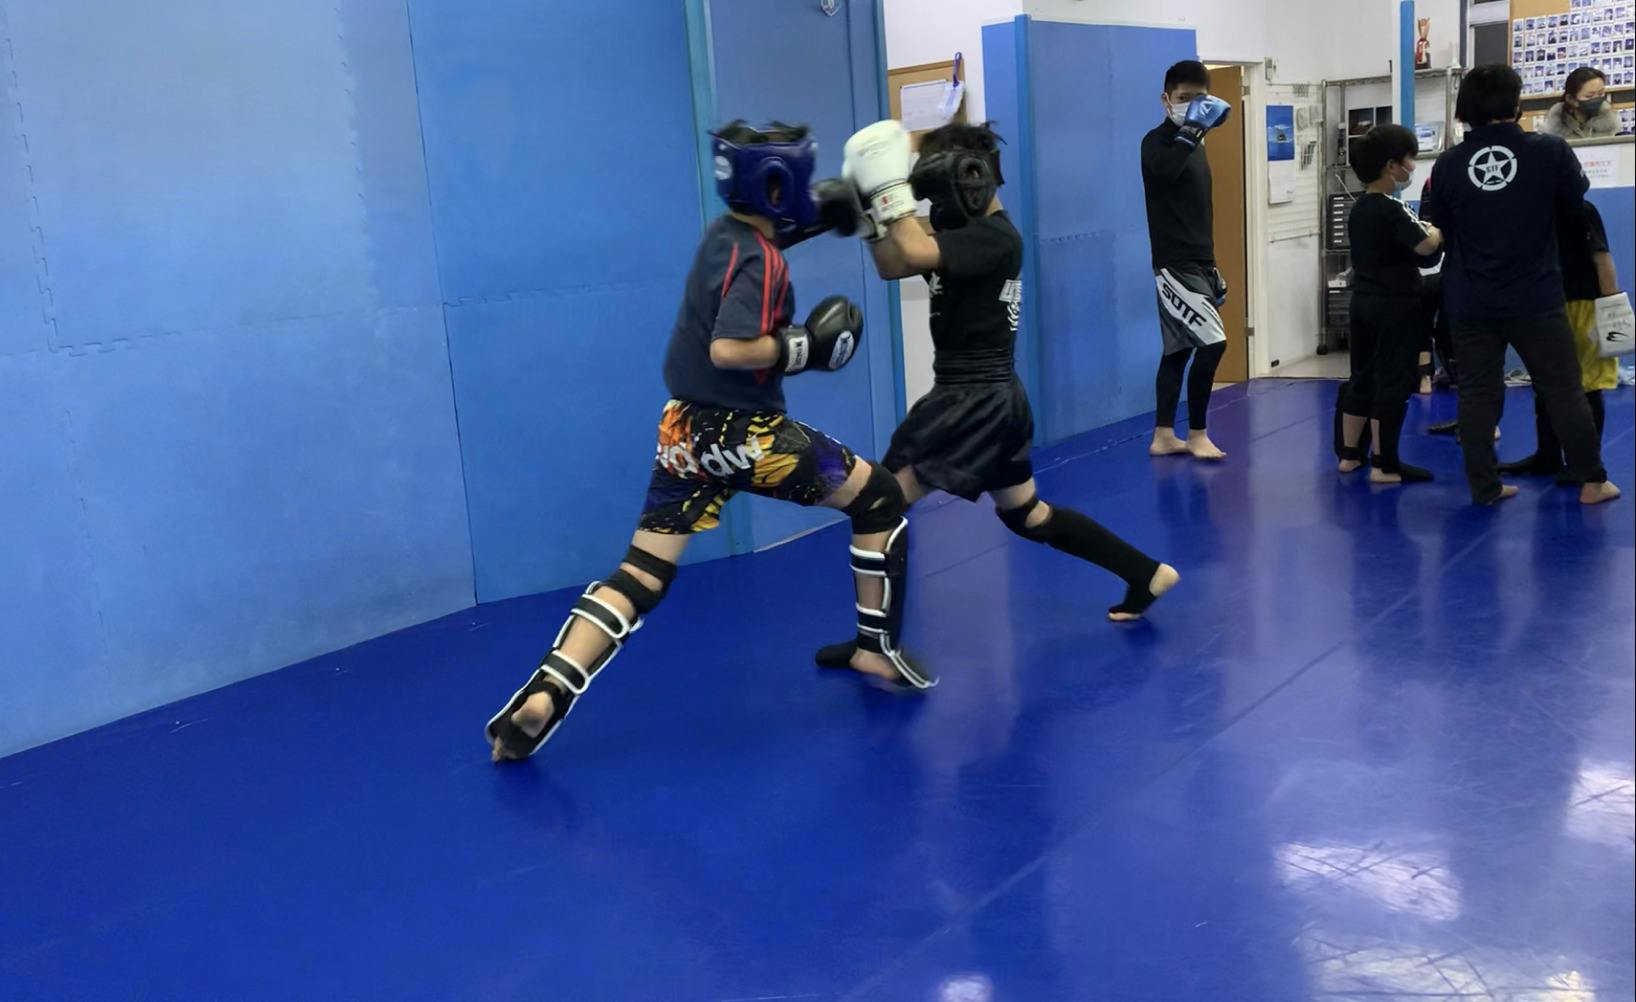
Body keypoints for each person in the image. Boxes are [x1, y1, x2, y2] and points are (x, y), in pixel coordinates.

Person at [485, 121, 935, 763]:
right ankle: (875, 648)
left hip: (683, 433)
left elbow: (776, 231)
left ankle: (545, 692)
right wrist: (801, 348)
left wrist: (833, 210)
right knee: (881, 498)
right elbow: (729, 347)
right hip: (747, 434)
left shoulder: (723, 234)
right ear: (778, 184)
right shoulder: (762, 262)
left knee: (641, 573)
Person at [824, 118, 1178, 632]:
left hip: (971, 402)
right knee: (1026, 514)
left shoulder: (994, 237)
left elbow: (915, 249)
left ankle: (874, 644)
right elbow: (892, 265)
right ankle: (1146, 573)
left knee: (878, 503)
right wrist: (869, 221)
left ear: (967, 177)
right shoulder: (966, 235)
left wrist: (886, 190)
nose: (934, 205)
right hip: (993, 401)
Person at [1421, 64, 1619, 506]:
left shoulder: (1448, 164)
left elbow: (1441, 228)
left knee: (1478, 393)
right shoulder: (1549, 151)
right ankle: (1592, 482)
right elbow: (1573, 206)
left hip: (1471, 297)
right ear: (1515, 103)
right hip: (1535, 293)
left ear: (1465, 108)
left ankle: (1484, 487)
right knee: (1563, 388)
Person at [1334, 124, 1445, 484]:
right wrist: (1437, 231)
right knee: (1392, 382)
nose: (1412, 168)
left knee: (1362, 377)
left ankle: (1350, 455)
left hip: (1362, 302)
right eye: (1409, 160)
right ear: (1391, 166)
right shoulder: (1392, 208)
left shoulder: (1359, 208)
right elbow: (1426, 246)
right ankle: (1384, 463)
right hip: (1395, 306)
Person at [1141, 60, 1233, 462]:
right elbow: (1164, 175)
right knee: (1214, 344)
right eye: (1184, 98)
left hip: (1197, 261)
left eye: (1200, 100)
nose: (1193, 107)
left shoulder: (1198, 146)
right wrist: (1191, 131)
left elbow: (1196, 210)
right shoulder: (1156, 142)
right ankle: (1198, 434)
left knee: (1178, 350)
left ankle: (1163, 436)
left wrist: (1211, 265)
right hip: (1173, 263)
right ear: (1166, 99)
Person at [1498, 199, 1621, 480]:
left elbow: (1602, 258)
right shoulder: (1532, 212)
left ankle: (1586, 463)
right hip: (1546, 306)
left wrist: (1612, 307)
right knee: (1545, 384)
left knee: (1587, 385)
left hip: (1583, 305)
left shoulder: (1580, 210)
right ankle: (1548, 455)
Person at [1540, 67, 1620, 139]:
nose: (1597, 99)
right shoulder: (1553, 129)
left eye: (1600, 93)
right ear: (1571, 99)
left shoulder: (1611, 123)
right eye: (1589, 96)